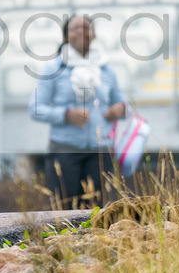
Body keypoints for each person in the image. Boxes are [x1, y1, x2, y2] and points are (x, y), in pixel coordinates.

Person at [28, 14, 126, 209]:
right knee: (62, 209)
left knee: (99, 210)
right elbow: (35, 108)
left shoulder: (107, 70)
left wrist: (119, 110)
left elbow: (122, 104)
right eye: (75, 28)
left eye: (86, 27)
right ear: (65, 36)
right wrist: (66, 115)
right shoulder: (52, 68)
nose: (81, 32)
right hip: (65, 151)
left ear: (94, 34)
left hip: (101, 151)